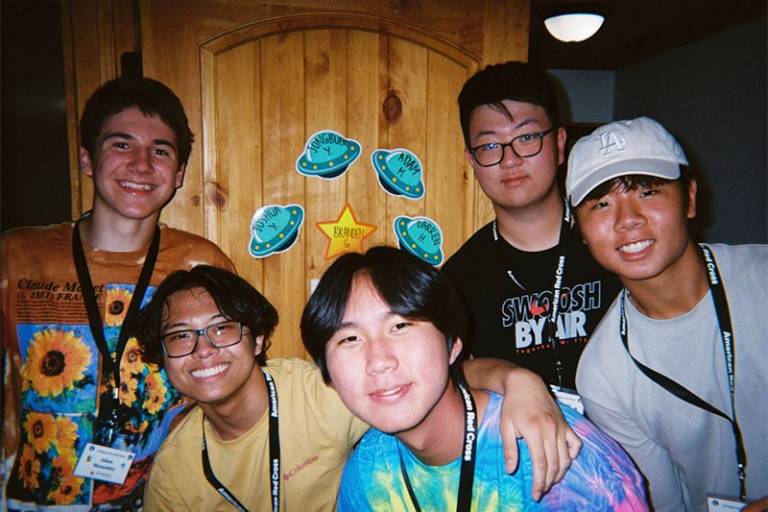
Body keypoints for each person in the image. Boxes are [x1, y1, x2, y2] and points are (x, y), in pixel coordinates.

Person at [134, 264, 581, 510]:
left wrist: (518, 380)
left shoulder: (322, 393)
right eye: (179, 337)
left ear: (258, 338)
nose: (204, 350)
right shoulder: (176, 472)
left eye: (222, 329)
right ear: (163, 358)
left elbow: (427, 381)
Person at [1, 77, 234, 510]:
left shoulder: (203, 266)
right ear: (88, 159)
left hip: (166, 499)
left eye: (161, 150)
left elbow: (232, 388)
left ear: (179, 173)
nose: (143, 165)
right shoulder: (16, 258)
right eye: (122, 145)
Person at [302, 246, 648, 511]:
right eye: (349, 339)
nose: (378, 361)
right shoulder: (367, 477)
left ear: (453, 345)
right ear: (328, 373)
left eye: (400, 326)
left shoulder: (565, 461)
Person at [568, 116, 768, 511]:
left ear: (690, 198)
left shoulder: (761, 282)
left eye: (647, 192)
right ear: (581, 230)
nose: (628, 219)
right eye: (602, 203)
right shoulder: (603, 374)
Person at [442, 61, 621, 401]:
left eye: (527, 137)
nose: (510, 159)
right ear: (472, 160)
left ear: (559, 143)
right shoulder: (457, 280)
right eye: (490, 146)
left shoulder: (617, 243)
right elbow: (447, 374)